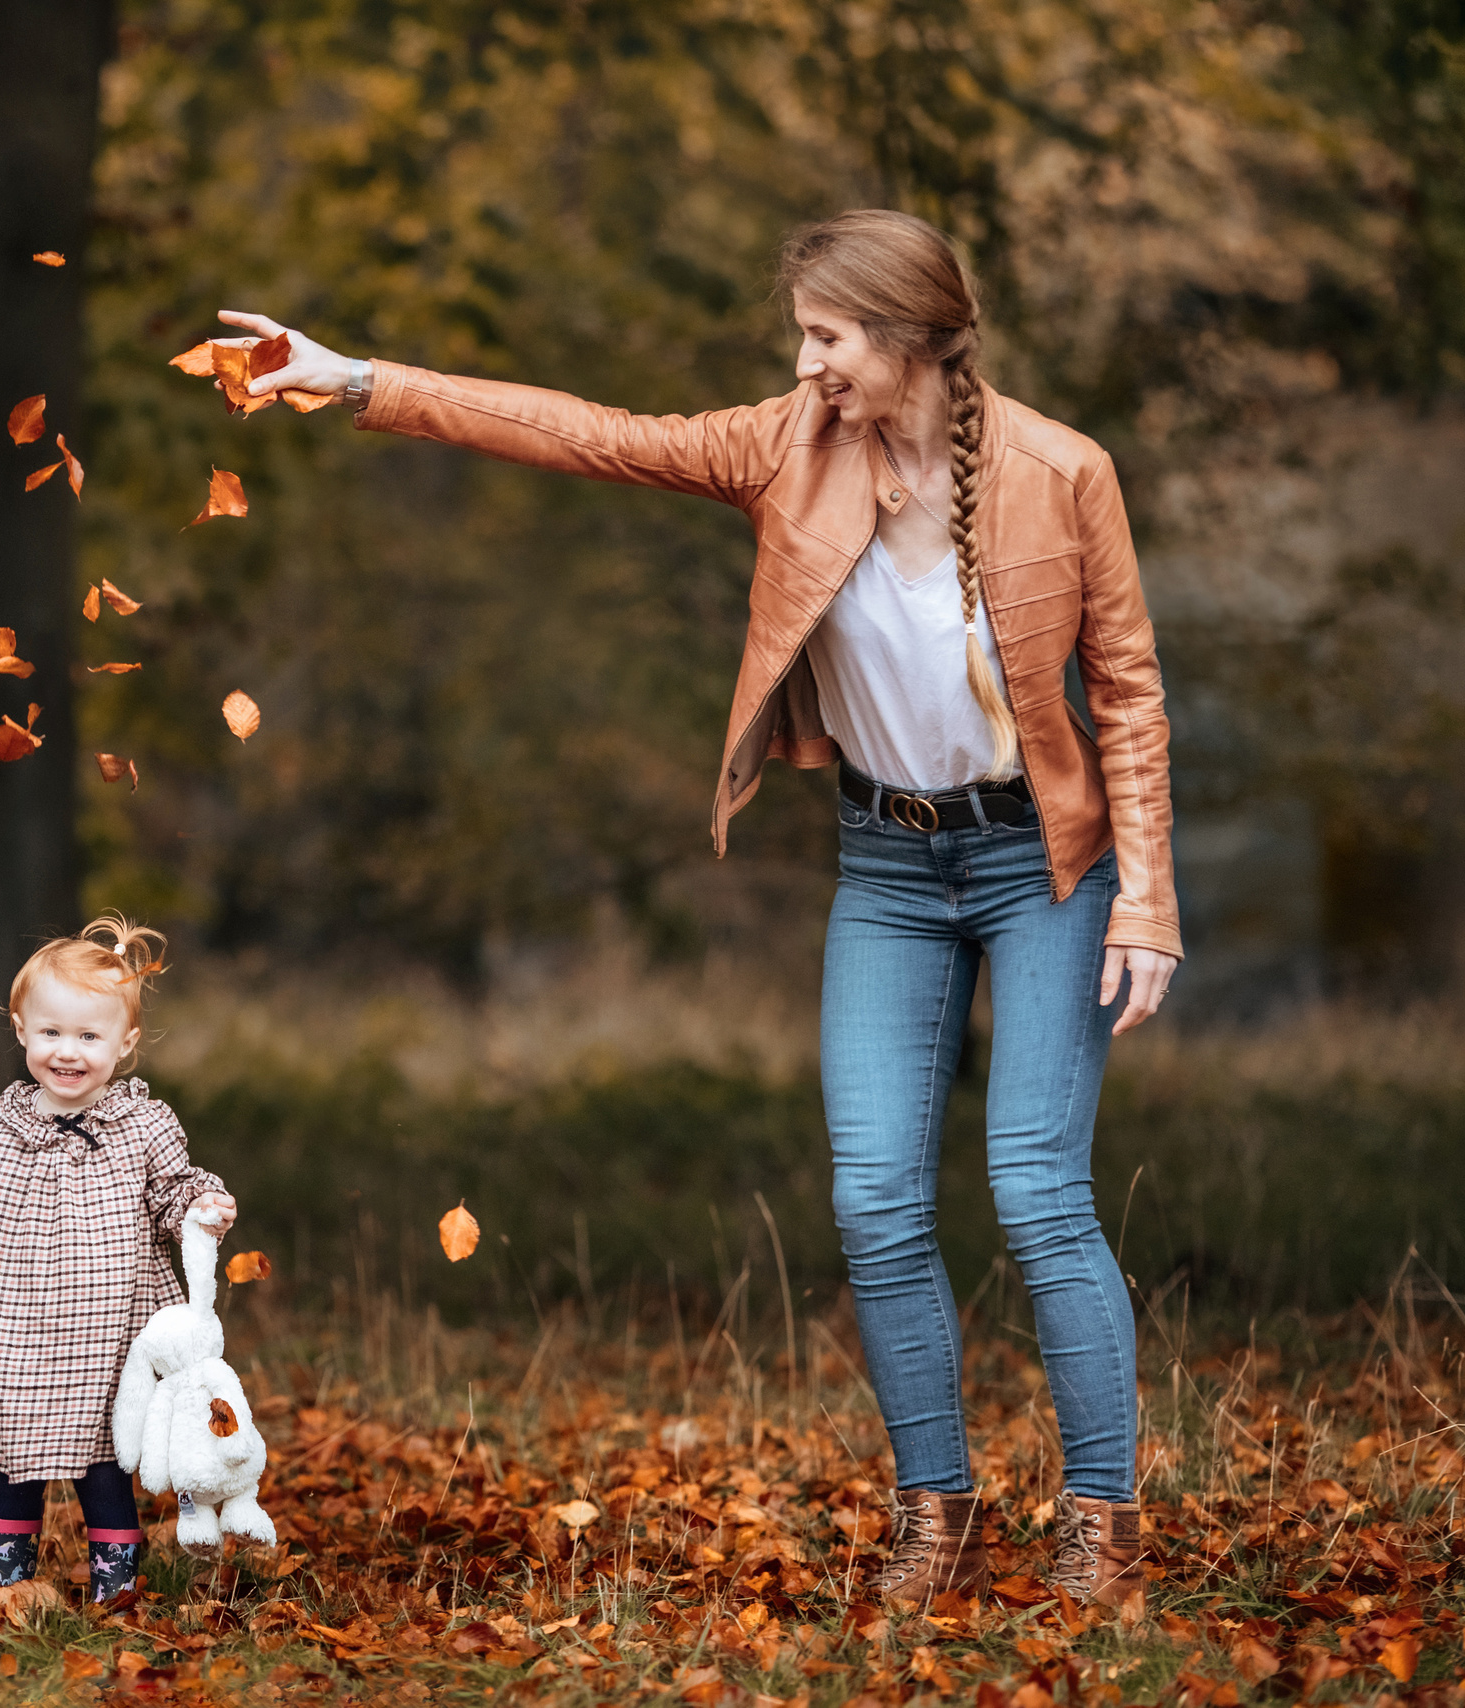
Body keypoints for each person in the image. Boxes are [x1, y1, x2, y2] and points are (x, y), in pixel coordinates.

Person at [220, 209, 1179, 1611]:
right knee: (875, 1200)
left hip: (1046, 865)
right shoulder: (786, 447)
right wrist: (362, 378)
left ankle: (1100, 1520)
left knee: (1037, 1192)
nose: (805, 364)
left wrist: (1143, 898)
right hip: (892, 872)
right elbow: (593, 434)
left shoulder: (1061, 473)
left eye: (828, 336)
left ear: (911, 337)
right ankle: (939, 1513)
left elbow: (1131, 698)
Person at [0, 917, 238, 1602]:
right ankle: (10, 1586)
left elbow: (173, 1192)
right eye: (51, 1034)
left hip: (113, 1339)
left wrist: (203, 1207)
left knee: (105, 1470)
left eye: (89, 1037)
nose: (68, 1053)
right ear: (21, 1031)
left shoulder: (142, 1127)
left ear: (124, 1044)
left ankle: (114, 1590)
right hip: (24, 1336)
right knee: (15, 1468)